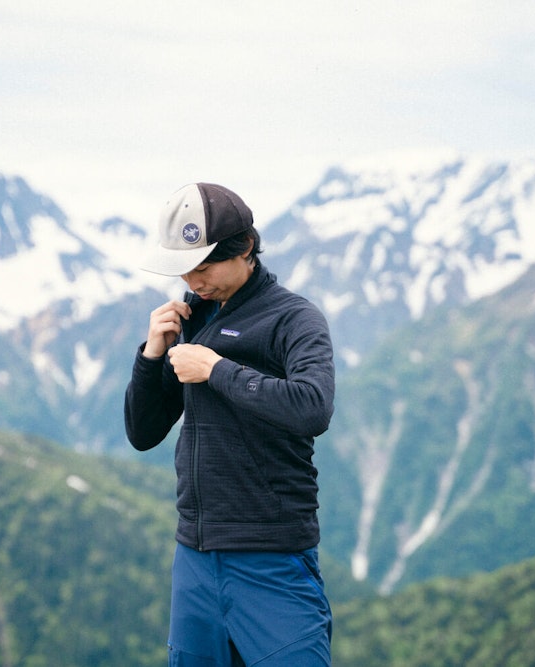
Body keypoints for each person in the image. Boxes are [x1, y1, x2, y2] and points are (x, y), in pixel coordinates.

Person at [124, 182, 336, 666]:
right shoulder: (193, 317)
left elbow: (313, 407)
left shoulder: (295, 318)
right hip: (195, 556)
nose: (194, 280)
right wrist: (152, 353)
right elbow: (142, 433)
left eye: (205, 266)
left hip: (273, 558)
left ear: (245, 248)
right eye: (184, 268)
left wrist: (217, 370)